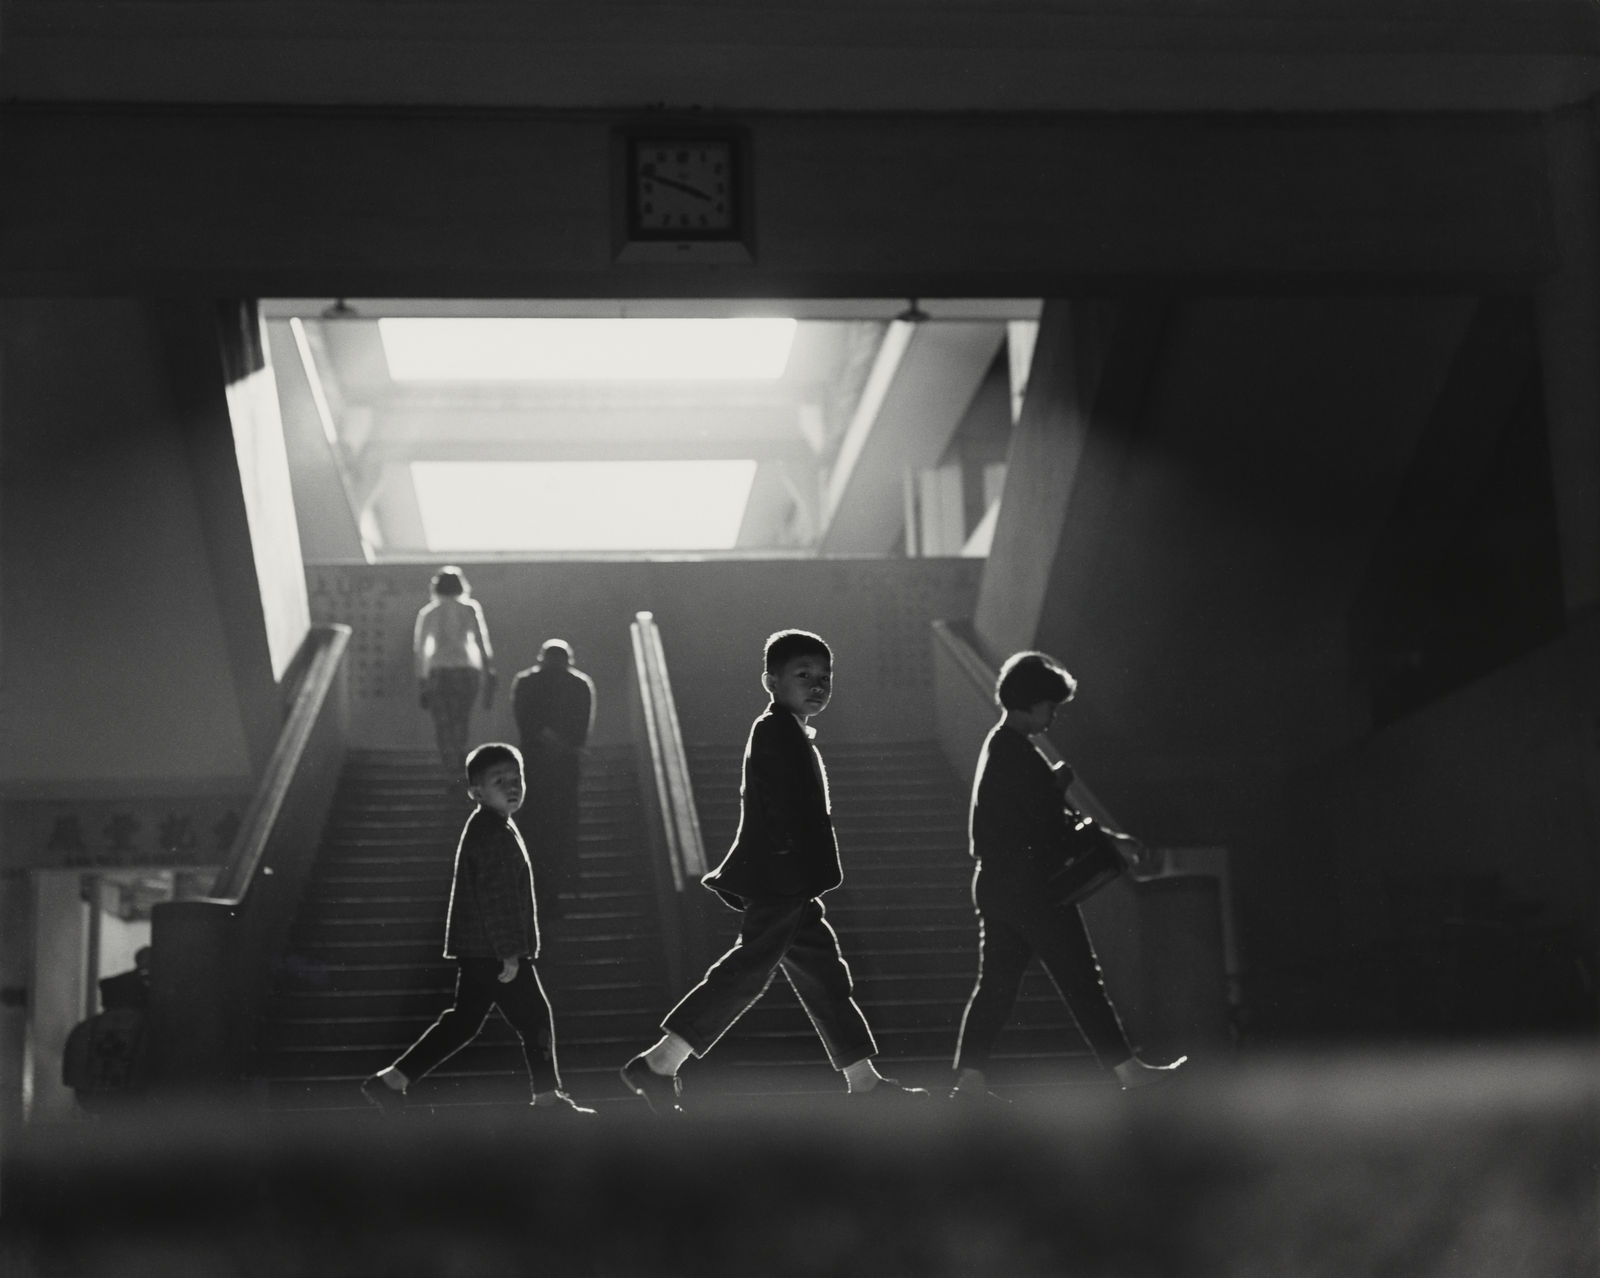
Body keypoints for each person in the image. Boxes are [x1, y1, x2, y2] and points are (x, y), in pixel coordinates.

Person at [620, 628, 927, 1112]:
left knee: (825, 977)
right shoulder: (773, 731)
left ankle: (864, 1080)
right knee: (748, 969)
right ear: (771, 680)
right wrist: (791, 871)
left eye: (825, 676)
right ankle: (660, 1062)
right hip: (782, 879)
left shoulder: (788, 731)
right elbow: (780, 808)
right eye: (804, 675)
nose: (818, 685)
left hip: (791, 880)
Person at [949, 651, 1185, 1101]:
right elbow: (1048, 826)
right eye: (1050, 706)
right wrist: (1098, 830)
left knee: (996, 986)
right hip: (1032, 889)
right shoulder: (1018, 753)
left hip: (998, 886)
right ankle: (1128, 1071)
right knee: (1081, 980)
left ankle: (971, 1079)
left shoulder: (1000, 746)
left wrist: (1058, 795)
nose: (1053, 715)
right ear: (1032, 701)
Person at [361, 742, 592, 1116]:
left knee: (464, 1022)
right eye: (500, 780)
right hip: (493, 950)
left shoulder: (494, 825)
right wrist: (510, 953)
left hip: (479, 949)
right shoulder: (493, 833)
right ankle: (548, 1100)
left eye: (516, 778)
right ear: (476, 792)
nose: (512, 786)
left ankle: (390, 1081)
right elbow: (497, 898)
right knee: (534, 1018)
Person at [510, 639, 596, 921]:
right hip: (565, 766)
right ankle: (558, 891)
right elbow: (583, 726)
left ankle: (531, 890)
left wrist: (543, 738)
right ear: (568, 659)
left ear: (541, 658)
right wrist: (563, 743)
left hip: (533, 764)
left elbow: (524, 721)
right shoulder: (581, 684)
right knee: (562, 827)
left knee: (532, 826)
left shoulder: (525, 682)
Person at [413, 566, 497, 773]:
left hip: (438, 671)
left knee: (443, 725)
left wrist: (422, 681)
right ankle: (461, 765)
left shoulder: (429, 612)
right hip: (467, 670)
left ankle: (450, 771)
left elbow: (421, 650)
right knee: (461, 721)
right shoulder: (470, 608)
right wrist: (489, 670)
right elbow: (480, 641)